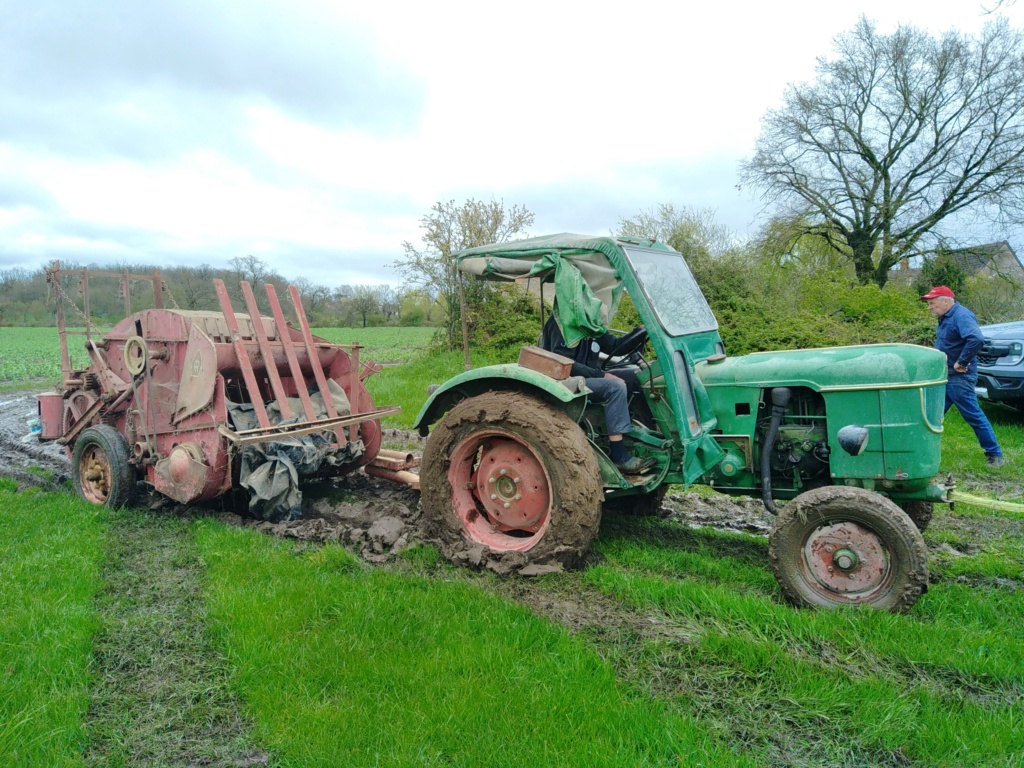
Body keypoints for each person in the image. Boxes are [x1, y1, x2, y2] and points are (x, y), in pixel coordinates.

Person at [542, 313, 655, 474]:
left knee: (636, 377)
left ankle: (646, 435)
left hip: (589, 377)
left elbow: (615, 346)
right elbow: (563, 361)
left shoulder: (592, 323)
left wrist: (638, 332)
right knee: (615, 387)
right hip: (564, 380)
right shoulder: (561, 321)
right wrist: (600, 375)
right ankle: (618, 455)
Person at [921, 285, 1004, 467]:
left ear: (945, 301)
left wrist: (962, 362)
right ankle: (921, 450)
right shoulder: (945, 317)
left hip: (959, 378)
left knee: (973, 415)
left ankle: (995, 455)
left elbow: (976, 339)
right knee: (930, 414)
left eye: (932, 303)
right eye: (929, 304)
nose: (930, 307)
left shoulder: (962, 316)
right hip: (945, 375)